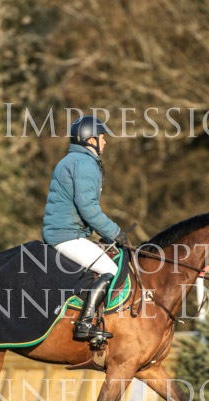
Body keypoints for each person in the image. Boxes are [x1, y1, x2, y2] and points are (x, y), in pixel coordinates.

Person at [42, 115, 129, 343]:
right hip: (66, 236)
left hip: (70, 232)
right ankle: (84, 324)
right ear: (90, 139)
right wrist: (115, 233)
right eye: (102, 137)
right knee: (110, 269)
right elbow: (88, 209)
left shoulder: (75, 160)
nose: (105, 141)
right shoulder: (84, 163)